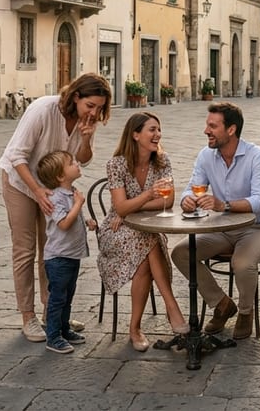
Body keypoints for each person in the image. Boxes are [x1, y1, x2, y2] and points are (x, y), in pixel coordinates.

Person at [0, 73, 111, 342]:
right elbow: (16, 155)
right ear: (75, 97)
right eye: (90, 105)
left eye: (100, 108)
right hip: (21, 183)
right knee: (25, 250)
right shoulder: (43, 110)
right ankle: (28, 317)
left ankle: (53, 314)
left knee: (53, 251)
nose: (94, 112)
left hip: (56, 189)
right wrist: (37, 191)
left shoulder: (86, 122)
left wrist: (85, 138)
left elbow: (83, 160)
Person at [171, 102, 260, 340]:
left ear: (231, 130)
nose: (206, 131)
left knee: (241, 263)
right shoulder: (206, 156)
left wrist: (224, 205)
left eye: (212, 126)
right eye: (207, 125)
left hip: (257, 229)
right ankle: (221, 304)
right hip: (220, 228)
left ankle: (245, 312)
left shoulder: (256, 156)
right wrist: (187, 200)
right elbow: (191, 189)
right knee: (180, 253)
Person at [96, 112, 190, 352]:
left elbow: (167, 202)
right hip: (115, 231)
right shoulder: (116, 164)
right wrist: (145, 197)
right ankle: (171, 307)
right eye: (152, 129)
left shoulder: (162, 161)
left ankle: (135, 328)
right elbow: (120, 208)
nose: (158, 134)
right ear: (135, 134)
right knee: (149, 241)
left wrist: (130, 207)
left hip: (144, 228)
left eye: (159, 129)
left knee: (146, 246)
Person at [37, 150, 97, 354]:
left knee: (68, 295)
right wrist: (79, 204)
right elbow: (63, 223)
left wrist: (86, 220)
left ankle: (64, 329)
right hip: (58, 257)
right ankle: (53, 337)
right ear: (61, 176)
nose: (77, 163)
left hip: (71, 255)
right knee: (58, 298)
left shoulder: (71, 192)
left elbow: (74, 218)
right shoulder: (54, 198)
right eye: (71, 163)